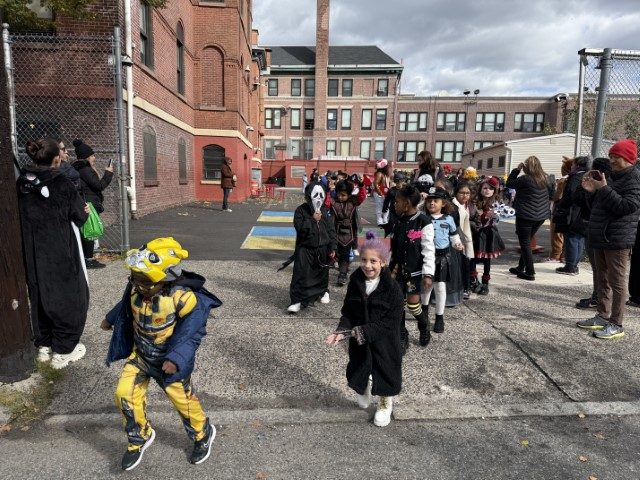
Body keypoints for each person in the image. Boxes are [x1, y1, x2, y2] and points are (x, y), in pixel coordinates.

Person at [101, 237, 222, 470]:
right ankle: (139, 436)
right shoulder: (137, 290)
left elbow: (192, 332)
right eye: (134, 277)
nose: (137, 283)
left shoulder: (183, 299)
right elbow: (125, 305)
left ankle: (203, 433)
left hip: (168, 361)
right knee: (124, 394)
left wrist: (176, 359)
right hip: (140, 356)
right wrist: (111, 318)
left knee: (183, 402)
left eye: (144, 280)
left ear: (166, 277)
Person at [18, 138, 89, 369]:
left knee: (38, 293)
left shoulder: (22, 182)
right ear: (56, 159)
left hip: (32, 249)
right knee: (68, 295)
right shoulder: (60, 181)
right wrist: (85, 211)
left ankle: (44, 344)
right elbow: (79, 215)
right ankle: (64, 349)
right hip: (59, 248)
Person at [325, 231, 404, 427]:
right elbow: (348, 311)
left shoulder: (393, 288)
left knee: (386, 369)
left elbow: (391, 322)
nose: (368, 265)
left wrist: (361, 332)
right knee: (359, 364)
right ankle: (363, 387)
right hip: (359, 340)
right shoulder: (356, 281)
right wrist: (342, 331)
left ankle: (385, 402)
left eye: (373, 261)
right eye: (364, 260)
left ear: (383, 262)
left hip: (385, 340)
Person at [576, 139, 640, 340]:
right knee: (602, 278)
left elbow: (627, 206)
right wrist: (590, 192)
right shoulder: (612, 176)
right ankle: (602, 315)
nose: (611, 160)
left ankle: (616, 323)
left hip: (617, 239)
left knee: (617, 281)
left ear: (628, 159)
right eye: (611, 156)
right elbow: (599, 204)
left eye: (616, 157)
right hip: (600, 236)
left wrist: (603, 188)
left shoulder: (634, 178)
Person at [389, 184, 435, 350]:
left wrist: (428, 274)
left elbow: (429, 250)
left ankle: (423, 325)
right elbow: (391, 246)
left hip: (413, 273)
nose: (395, 204)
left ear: (407, 203)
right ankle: (402, 334)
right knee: (398, 304)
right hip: (396, 271)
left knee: (413, 305)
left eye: (397, 202)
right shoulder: (397, 221)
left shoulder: (424, 222)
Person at [287, 182, 337, 313]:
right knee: (301, 274)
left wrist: (333, 247)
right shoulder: (301, 210)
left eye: (321, 195)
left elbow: (331, 230)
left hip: (322, 249)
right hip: (305, 249)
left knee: (322, 273)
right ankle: (296, 300)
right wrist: (312, 219)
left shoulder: (326, 211)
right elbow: (300, 229)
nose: (319, 198)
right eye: (316, 195)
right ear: (309, 196)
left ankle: (323, 291)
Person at [422, 187, 463, 333]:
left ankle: (439, 317)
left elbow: (454, 236)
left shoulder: (449, 219)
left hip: (442, 258)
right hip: (426, 257)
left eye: (435, 201)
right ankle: (424, 311)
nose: (432, 203)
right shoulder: (422, 218)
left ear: (443, 203)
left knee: (440, 287)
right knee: (426, 286)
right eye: (429, 200)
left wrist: (457, 244)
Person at [506, 156, 553, 281]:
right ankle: (521, 267)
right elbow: (552, 195)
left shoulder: (525, 179)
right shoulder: (546, 178)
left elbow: (509, 183)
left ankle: (530, 272)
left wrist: (517, 170)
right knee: (527, 241)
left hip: (526, 215)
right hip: (541, 216)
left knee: (525, 243)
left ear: (527, 167)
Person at [574, 158, 611, 310]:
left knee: (600, 268)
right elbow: (579, 200)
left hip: (599, 230)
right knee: (597, 267)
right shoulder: (598, 185)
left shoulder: (605, 186)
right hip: (593, 228)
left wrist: (590, 188)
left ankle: (598, 299)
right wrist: (584, 186)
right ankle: (597, 296)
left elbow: (590, 206)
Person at [72, 138, 114, 269]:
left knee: (87, 231)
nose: (94, 158)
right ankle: (88, 259)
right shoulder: (85, 169)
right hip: (89, 204)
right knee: (89, 231)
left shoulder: (80, 168)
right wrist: (108, 173)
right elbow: (98, 185)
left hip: (87, 203)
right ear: (87, 157)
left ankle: (86, 258)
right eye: (92, 155)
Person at [554, 156, 590, 275]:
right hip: (582, 213)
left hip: (572, 213)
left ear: (578, 165)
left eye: (573, 164)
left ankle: (570, 266)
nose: (572, 166)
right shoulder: (587, 176)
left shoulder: (575, 177)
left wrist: (560, 205)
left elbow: (570, 194)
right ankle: (574, 265)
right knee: (579, 239)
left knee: (571, 239)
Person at [470, 176, 505, 295]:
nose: (487, 190)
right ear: (480, 189)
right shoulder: (474, 202)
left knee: (487, 259)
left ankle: (485, 282)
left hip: (489, 233)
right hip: (475, 232)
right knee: (472, 256)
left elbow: (498, 219)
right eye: (485, 188)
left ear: (494, 191)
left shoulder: (496, 204)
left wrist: (494, 216)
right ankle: (473, 280)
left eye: (490, 188)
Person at [330, 179, 367, 286]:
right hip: (335, 232)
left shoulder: (353, 201)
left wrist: (361, 185)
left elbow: (362, 196)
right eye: (338, 194)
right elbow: (326, 200)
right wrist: (328, 188)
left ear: (349, 194)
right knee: (336, 253)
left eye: (343, 195)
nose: (340, 197)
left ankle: (342, 274)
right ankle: (340, 267)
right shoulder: (334, 202)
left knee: (345, 254)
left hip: (349, 233)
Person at [547, 157, 574, 263]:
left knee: (557, 234)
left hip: (560, 209)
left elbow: (557, 197)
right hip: (571, 211)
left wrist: (555, 191)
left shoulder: (564, 180)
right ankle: (564, 256)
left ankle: (555, 255)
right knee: (566, 235)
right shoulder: (577, 178)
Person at [453, 181, 476, 300]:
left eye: (467, 193)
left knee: (466, 264)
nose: (465, 195)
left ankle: (466, 288)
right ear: (456, 193)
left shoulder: (469, 205)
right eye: (462, 193)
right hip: (457, 238)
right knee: (460, 265)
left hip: (467, 238)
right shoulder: (453, 205)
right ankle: (461, 288)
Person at [373, 159, 390, 226]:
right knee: (379, 207)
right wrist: (380, 192)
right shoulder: (379, 174)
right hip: (379, 193)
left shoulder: (385, 175)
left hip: (384, 193)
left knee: (386, 206)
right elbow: (375, 184)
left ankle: (385, 219)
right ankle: (380, 221)